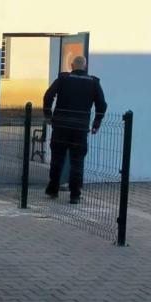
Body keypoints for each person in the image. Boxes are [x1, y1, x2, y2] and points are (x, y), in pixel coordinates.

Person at [43, 55, 108, 204]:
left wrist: (48, 115)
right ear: (85, 66)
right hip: (80, 128)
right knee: (77, 161)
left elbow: (48, 96)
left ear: (72, 66)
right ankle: (75, 194)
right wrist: (96, 123)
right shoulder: (93, 83)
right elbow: (102, 105)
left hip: (61, 126)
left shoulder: (63, 79)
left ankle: (53, 189)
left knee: (57, 158)